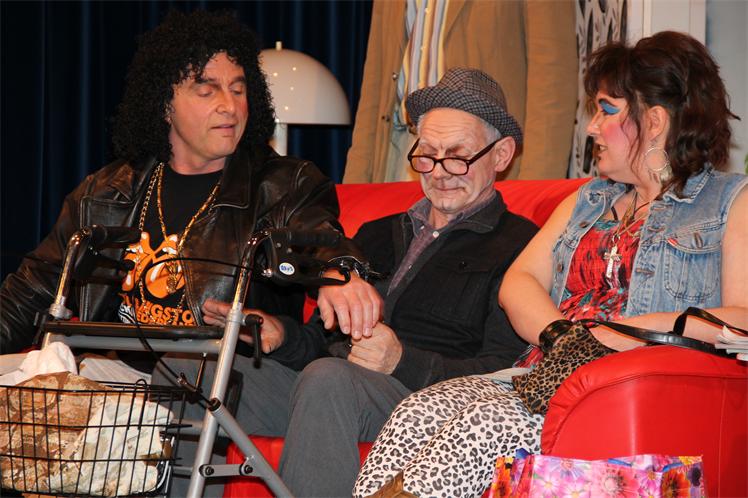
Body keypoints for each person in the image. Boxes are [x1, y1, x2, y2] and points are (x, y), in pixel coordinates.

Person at [355, 31, 748, 498]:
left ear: (655, 120)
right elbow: (519, 282)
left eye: (606, 110)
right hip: (542, 379)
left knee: (482, 424)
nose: (591, 128)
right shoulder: (588, 200)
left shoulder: (729, 202)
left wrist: (621, 334)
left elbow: (742, 320)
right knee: (418, 409)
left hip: (628, 391)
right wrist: (562, 337)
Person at [180, 67, 538, 497]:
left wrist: (401, 360)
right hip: (329, 390)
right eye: (427, 155)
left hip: (423, 406)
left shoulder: (521, 245)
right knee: (193, 370)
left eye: (458, 156)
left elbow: (505, 371)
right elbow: (321, 340)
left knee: (329, 379)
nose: (440, 172)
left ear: (501, 155)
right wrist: (279, 335)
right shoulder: (376, 234)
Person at [0, 10, 380, 372]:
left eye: (238, 89)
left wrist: (340, 270)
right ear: (165, 104)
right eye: (207, 91)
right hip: (115, 379)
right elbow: (29, 293)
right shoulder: (104, 193)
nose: (229, 106)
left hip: (211, 383)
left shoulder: (283, 185)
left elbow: (318, 238)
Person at [343, 0, 578, 183]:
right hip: (399, 153)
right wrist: (355, 184)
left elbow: (553, 82)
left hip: (478, 159)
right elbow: (375, 80)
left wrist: (534, 191)